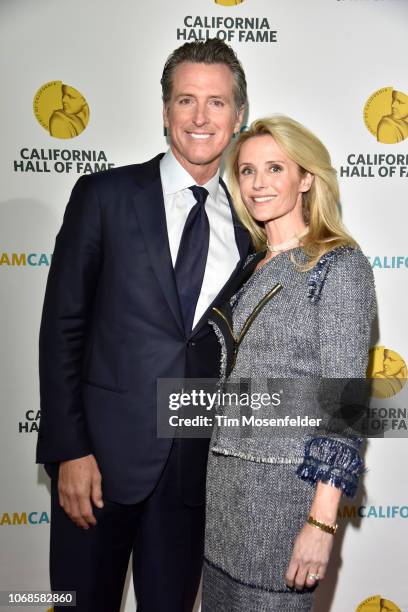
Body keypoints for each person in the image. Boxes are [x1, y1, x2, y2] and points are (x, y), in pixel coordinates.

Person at [36, 38, 250, 612]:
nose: (200, 117)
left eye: (216, 102)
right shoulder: (103, 195)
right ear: (164, 112)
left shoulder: (254, 230)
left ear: (238, 116)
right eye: (186, 100)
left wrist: (342, 414)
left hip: (191, 482)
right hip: (96, 469)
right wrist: (69, 451)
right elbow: (62, 328)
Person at [203, 115, 376, 611]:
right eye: (248, 171)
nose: (259, 184)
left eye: (275, 168)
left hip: (283, 505)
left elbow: (344, 404)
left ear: (306, 179)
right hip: (222, 503)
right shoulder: (247, 265)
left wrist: (321, 523)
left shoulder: (337, 265)